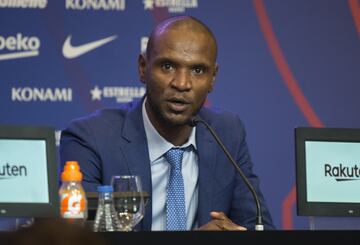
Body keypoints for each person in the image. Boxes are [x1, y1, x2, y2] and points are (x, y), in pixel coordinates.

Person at [60, 15, 275, 231]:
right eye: (168, 66)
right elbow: (79, 238)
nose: (181, 84)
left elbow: (258, 225)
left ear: (213, 78)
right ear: (143, 68)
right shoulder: (91, 138)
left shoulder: (227, 132)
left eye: (197, 70)